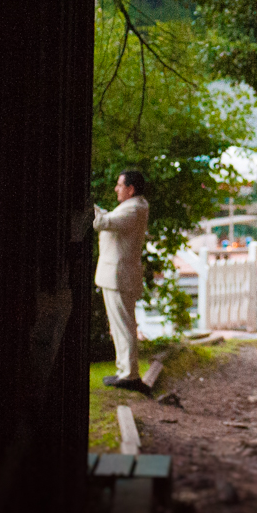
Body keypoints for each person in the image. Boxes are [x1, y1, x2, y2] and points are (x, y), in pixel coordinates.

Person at [94, 169, 152, 395]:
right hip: (117, 275)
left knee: (124, 326)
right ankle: (124, 371)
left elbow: (102, 223)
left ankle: (129, 374)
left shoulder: (135, 208)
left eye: (120, 185)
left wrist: (90, 207)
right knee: (119, 326)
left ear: (131, 189)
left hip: (119, 276)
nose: (117, 189)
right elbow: (107, 220)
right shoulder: (135, 207)